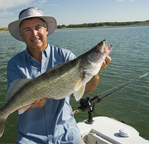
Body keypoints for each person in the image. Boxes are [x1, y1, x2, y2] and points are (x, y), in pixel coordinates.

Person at [7, 7, 111, 144]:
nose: (34, 33)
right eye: (27, 30)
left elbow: (88, 89)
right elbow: (14, 104)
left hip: (68, 136)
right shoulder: (15, 63)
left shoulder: (66, 56)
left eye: (38, 27)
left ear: (46, 30)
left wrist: (95, 72)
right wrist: (32, 103)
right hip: (30, 139)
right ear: (21, 34)